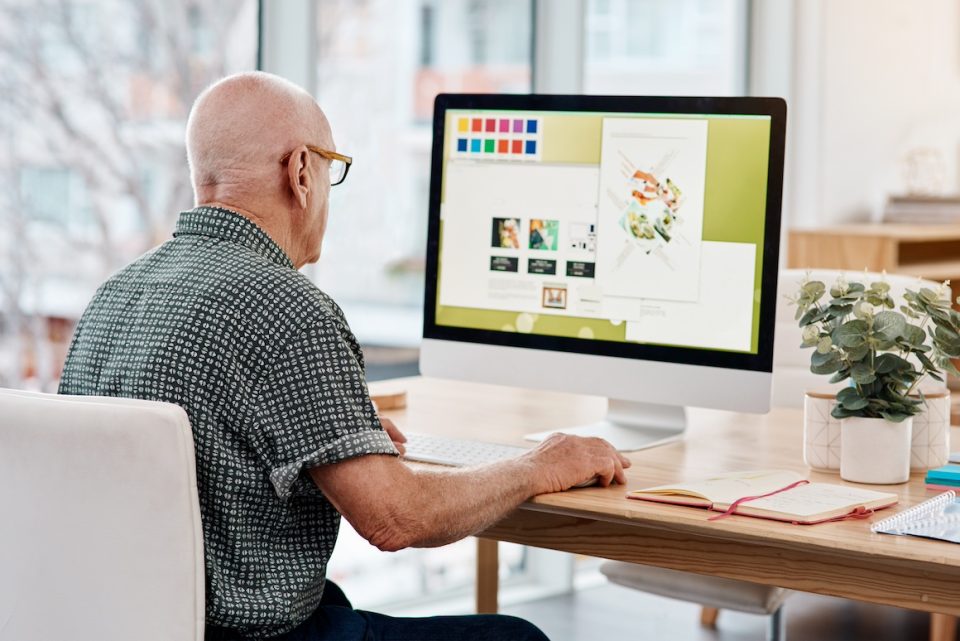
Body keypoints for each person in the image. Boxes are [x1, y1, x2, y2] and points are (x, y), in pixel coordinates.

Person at [58, 71, 630, 641]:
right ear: (301, 171)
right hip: (253, 635)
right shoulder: (288, 308)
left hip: (130, 622)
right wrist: (543, 465)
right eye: (334, 168)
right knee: (517, 638)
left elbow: (184, 452)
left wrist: (324, 431)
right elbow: (395, 518)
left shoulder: (117, 292)